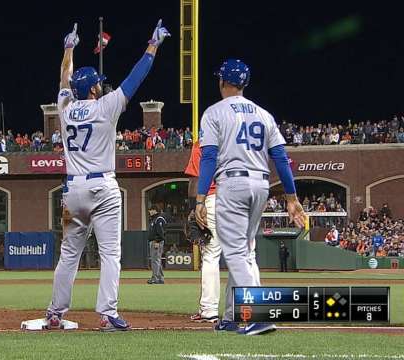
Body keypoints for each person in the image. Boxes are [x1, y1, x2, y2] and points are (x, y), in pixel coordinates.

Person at [42, 20, 169, 332]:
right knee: (111, 253)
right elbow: (135, 78)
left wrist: (68, 49)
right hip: (102, 187)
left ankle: (55, 313)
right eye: (99, 84)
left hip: (72, 190)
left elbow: (63, 77)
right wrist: (152, 46)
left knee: (69, 255)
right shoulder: (106, 106)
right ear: (95, 88)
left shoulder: (66, 107)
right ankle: (108, 314)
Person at [195, 59, 306, 335]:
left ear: (222, 81)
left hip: (232, 183)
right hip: (261, 185)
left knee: (233, 252)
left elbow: (208, 157)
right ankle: (233, 316)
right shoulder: (264, 114)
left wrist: (199, 199)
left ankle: (260, 315)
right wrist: (291, 199)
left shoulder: (214, 112)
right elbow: (280, 157)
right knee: (242, 252)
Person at [186, 140, 221, 323]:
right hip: (239, 201)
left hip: (212, 199)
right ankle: (249, 309)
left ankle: (209, 309)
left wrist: (195, 206)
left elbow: (195, 178)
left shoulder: (202, 144)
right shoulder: (236, 142)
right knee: (244, 255)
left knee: (211, 255)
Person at [147, 203, 167, 284]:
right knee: (156, 260)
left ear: (155, 210)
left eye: (151, 210)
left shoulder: (159, 219)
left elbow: (161, 232)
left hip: (156, 242)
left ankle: (155, 278)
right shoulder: (154, 219)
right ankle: (160, 278)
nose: (150, 212)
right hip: (153, 241)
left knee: (155, 260)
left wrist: (157, 241)